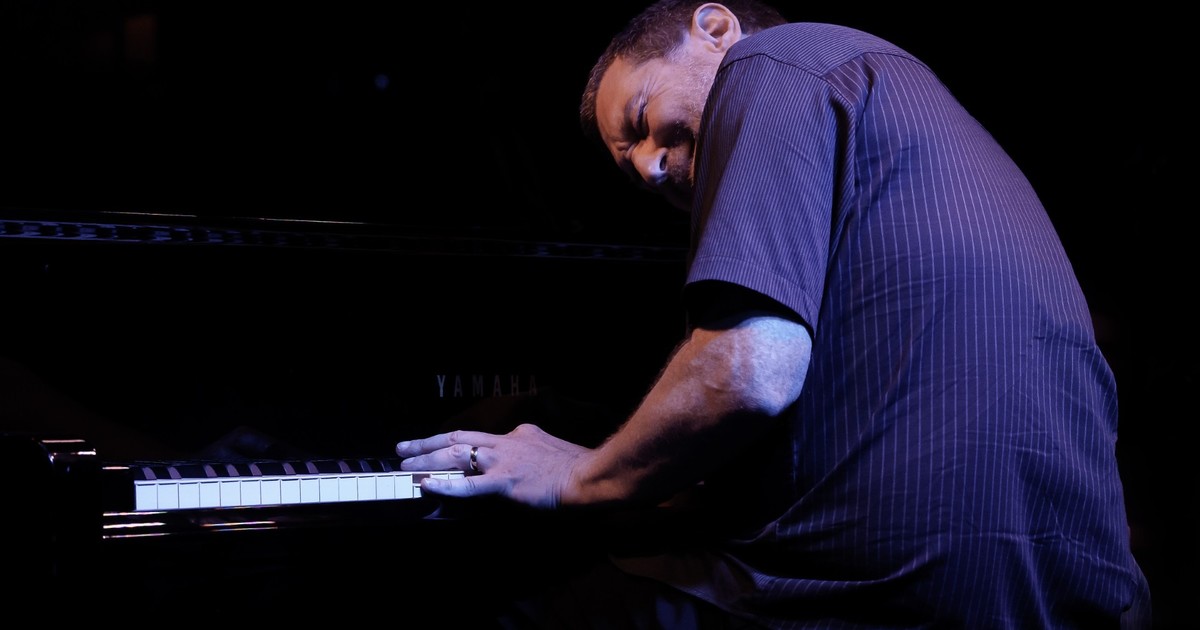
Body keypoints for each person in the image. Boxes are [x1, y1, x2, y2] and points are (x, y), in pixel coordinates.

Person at [395, 1, 1152, 627]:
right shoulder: (895, 108)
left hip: (888, 584)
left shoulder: (775, 64)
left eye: (641, 116)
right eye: (628, 166)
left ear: (715, 28)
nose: (649, 167)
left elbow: (751, 371)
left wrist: (579, 474)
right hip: (1069, 588)